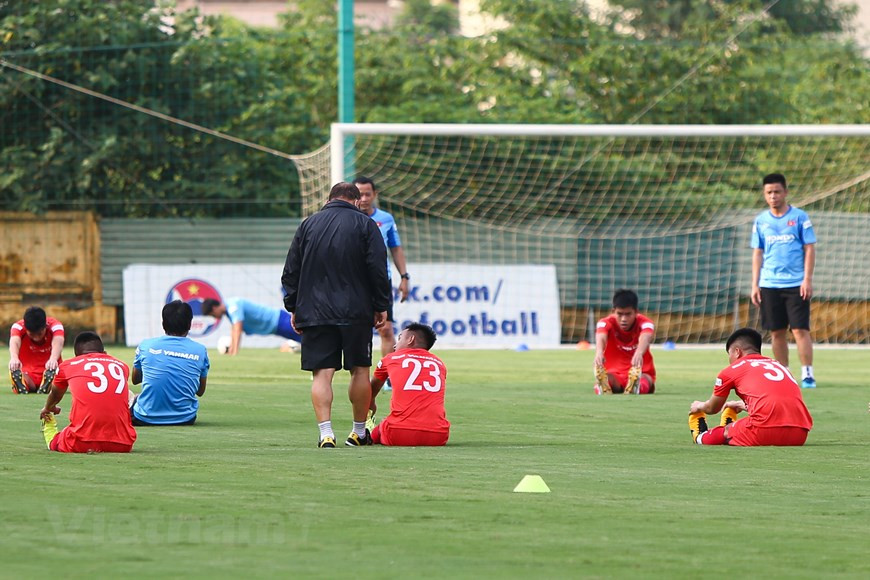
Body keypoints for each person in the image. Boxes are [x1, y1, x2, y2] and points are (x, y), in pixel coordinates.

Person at [281, 181, 390, 448]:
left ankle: (326, 433)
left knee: (322, 374)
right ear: (355, 201)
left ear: (329, 200)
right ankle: (358, 431)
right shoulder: (366, 224)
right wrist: (381, 304)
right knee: (360, 371)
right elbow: (377, 267)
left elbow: (290, 272)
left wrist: (293, 306)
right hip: (356, 311)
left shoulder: (307, 225)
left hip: (315, 311)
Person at [688, 327, 813, 446]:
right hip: (800, 434)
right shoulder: (778, 365)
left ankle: (700, 436)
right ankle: (735, 428)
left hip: (764, 432)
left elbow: (712, 408)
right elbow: (778, 400)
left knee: (725, 431)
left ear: (737, 352)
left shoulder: (731, 370)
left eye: (729, 355)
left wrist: (698, 406)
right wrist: (743, 405)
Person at [750, 173, 817, 388]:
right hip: (769, 284)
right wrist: (755, 284)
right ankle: (784, 374)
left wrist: (807, 279)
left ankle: (807, 374)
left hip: (796, 283)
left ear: (785, 192)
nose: (773, 196)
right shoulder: (761, 221)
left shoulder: (799, 217)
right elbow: (758, 252)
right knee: (776, 331)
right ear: (764, 194)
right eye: (769, 192)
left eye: (777, 192)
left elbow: (809, 248)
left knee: (799, 329)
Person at [39, 331, 137, 453]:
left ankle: (48, 426)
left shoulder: (68, 365)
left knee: (55, 442)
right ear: (104, 353)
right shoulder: (122, 366)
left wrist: (48, 408)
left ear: (77, 356)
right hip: (123, 444)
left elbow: (55, 394)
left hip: (81, 442)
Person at [353, 176, 410, 359]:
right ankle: (356, 372)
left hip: (379, 281)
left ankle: (386, 376)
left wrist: (404, 276)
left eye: (367, 194)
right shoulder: (348, 218)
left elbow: (395, 248)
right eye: (359, 195)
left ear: (374, 194)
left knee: (385, 329)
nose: (363, 199)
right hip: (353, 281)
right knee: (355, 330)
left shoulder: (385, 219)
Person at [368, 323, 449, 446]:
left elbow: (369, 393)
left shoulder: (390, 358)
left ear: (411, 339)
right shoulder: (439, 364)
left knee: (378, 429)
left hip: (398, 434)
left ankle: (366, 434)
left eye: (400, 338)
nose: (395, 345)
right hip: (438, 436)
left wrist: (370, 411)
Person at [130, 300, 210, 426]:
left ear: (163, 324)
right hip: (185, 418)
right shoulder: (201, 350)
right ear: (190, 325)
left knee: (131, 397)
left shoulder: (145, 345)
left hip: (144, 417)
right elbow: (200, 391)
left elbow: (135, 379)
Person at [593, 289, 656, 395]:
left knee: (645, 380)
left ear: (636, 312)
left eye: (628, 314)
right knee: (608, 379)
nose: (623, 319)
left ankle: (636, 387)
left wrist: (639, 352)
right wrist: (599, 352)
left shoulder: (646, 323)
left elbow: (646, 336)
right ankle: (603, 386)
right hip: (615, 373)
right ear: (613, 312)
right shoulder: (605, 323)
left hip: (640, 371)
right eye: (620, 314)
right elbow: (601, 335)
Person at [201, 297, 301, 355]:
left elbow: (237, 328)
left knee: (307, 338)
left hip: (279, 320)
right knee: (303, 340)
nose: (215, 317)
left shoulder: (233, 306)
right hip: (276, 327)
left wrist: (234, 352)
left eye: (213, 315)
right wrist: (231, 349)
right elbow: (234, 329)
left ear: (214, 308)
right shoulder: (229, 312)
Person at [8, 306, 64, 394]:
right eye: (32, 334)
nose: (37, 338)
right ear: (26, 329)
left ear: (45, 326)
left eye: (39, 333)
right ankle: (23, 385)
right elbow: (14, 341)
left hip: (50, 369)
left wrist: (53, 359)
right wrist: (14, 358)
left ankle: (48, 385)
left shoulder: (55, 326)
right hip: (28, 373)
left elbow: (59, 341)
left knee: (57, 379)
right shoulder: (18, 327)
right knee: (21, 376)